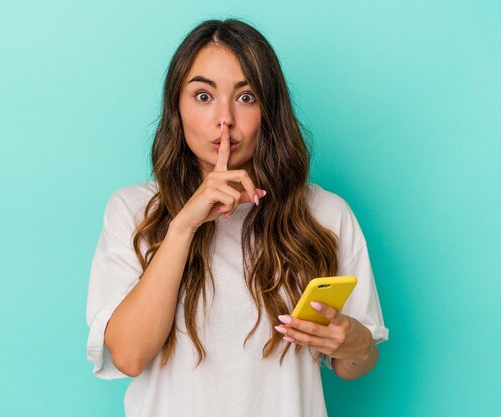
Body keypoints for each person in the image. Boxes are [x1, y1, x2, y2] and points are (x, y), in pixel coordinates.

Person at [85, 18, 389, 417]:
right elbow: (129, 356)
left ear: (270, 110)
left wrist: (355, 344)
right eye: (203, 96)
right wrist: (183, 226)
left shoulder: (325, 214)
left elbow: (355, 366)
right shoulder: (133, 210)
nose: (224, 119)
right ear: (177, 106)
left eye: (246, 97)